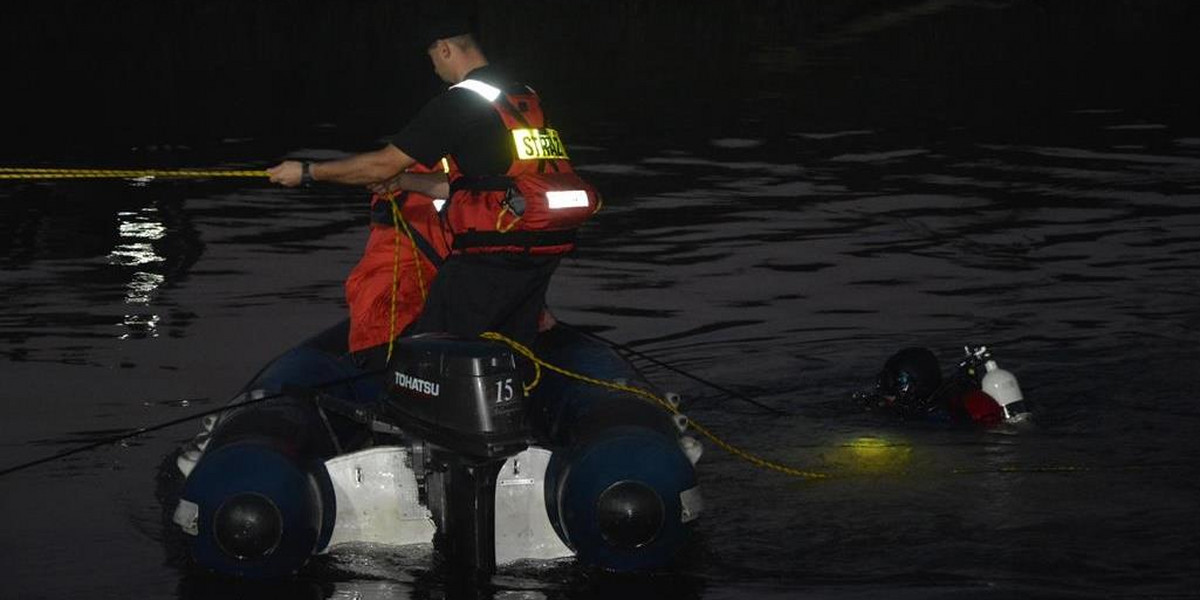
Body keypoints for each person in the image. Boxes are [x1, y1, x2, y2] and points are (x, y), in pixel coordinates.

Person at [267, 9, 599, 347]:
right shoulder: (523, 96)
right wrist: (405, 183)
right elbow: (487, 186)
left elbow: (382, 164)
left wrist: (308, 172)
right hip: (548, 242)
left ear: (444, 49)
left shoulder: (462, 101)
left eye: (432, 58)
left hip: (497, 250)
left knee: (435, 343)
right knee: (507, 338)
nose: (434, 69)